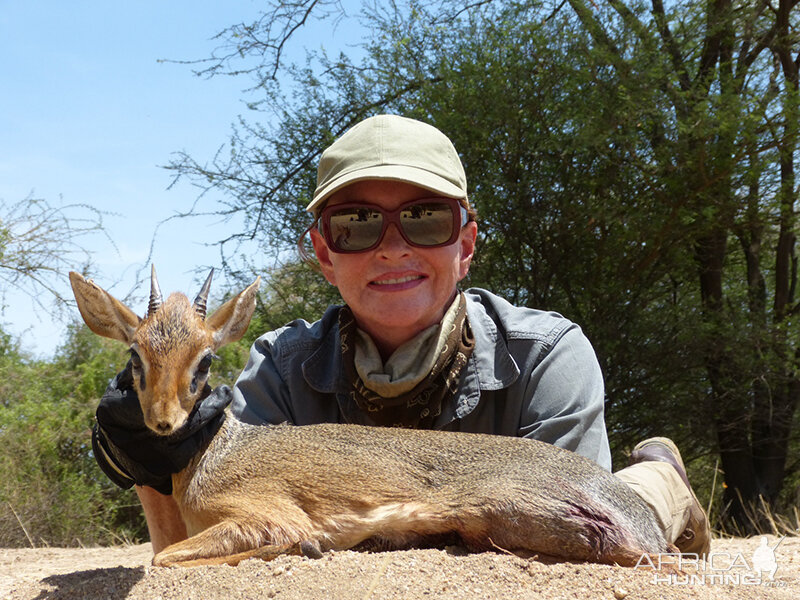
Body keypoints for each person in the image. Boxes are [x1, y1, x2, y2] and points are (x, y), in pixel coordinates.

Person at [93, 114, 710, 558]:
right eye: (357, 224)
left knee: (627, 519)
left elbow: (586, 519)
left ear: (465, 243)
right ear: (324, 253)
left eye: (425, 218)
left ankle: (663, 477)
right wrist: (148, 451)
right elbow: (220, 521)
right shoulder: (280, 366)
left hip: (539, 501)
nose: (392, 248)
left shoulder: (546, 354)